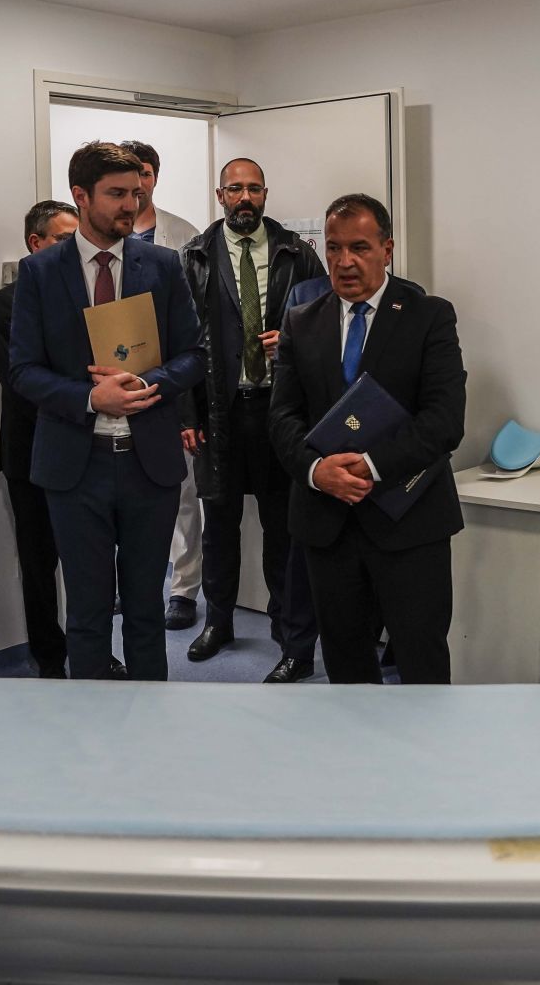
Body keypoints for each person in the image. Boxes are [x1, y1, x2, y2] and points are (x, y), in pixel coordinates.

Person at [9, 141, 205, 680]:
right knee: (88, 614)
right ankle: (90, 725)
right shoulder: (40, 273)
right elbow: (23, 370)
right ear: (81, 195)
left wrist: (146, 382)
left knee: (145, 611)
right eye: (116, 194)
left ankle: (148, 720)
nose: (130, 205)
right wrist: (91, 397)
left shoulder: (163, 266)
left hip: (149, 463)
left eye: (136, 193)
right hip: (76, 466)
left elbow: (195, 354)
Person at [268, 193, 466, 685]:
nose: (344, 261)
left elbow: (444, 420)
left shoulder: (428, 316)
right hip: (327, 523)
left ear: (387, 249)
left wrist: (371, 466)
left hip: (408, 521)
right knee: (346, 665)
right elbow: (283, 417)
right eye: (334, 248)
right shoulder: (301, 321)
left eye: (359, 247)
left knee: (421, 662)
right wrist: (317, 471)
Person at [181, 158, 325, 681]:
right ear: (220, 195)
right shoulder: (194, 256)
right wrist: (186, 412)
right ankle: (217, 622)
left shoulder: (297, 253)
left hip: (279, 410)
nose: (245, 197)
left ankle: (289, 634)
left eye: (254, 189)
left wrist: (293, 340)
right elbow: (180, 341)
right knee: (218, 527)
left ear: (266, 194)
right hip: (218, 411)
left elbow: (329, 320)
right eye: (235, 189)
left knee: (283, 528)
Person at [0, 201, 128, 679]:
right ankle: (49, 660)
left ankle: (96, 651)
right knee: (40, 563)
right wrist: (90, 401)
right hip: (33, 454)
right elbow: (24, 384)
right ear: (36, 243)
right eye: (64, 239)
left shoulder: (90, 295)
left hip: (91, 448)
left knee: (93, 563)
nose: (75, 248)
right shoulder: (6, 304)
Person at [120, 139, 205, 629]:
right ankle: (130, 584)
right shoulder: (100, 241)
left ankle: (183, 589)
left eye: (145, 173)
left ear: (154, 177)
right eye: (128, 176)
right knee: (122, 489)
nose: (138, 184)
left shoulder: (184, 236)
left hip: (169, 376)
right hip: (115, 380)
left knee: (182, 491)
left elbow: (195, 325)